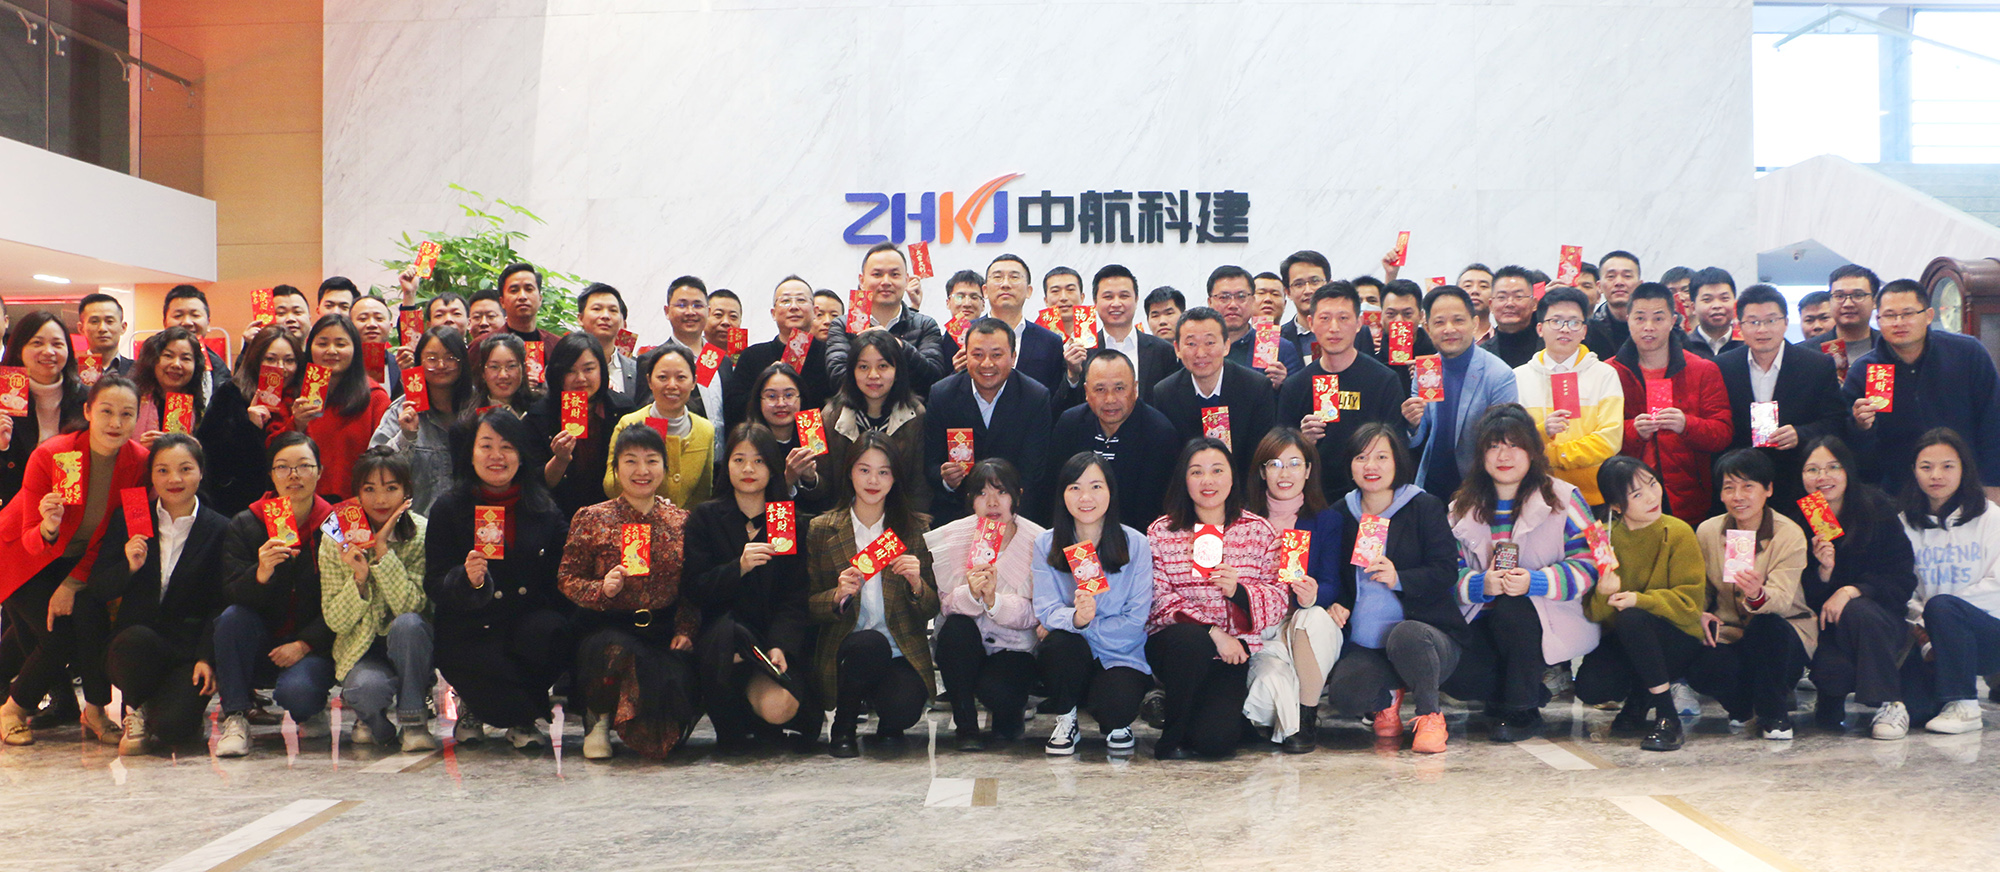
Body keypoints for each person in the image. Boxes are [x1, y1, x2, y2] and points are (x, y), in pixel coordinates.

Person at [0, 375, 148, 745]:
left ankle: (95, 709)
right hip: (20, 555)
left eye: (126, 414)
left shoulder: (138, 462)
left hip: (77, 561)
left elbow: (116, 533)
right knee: (57, 637)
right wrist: (49, 526)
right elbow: (30, 537)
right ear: (88, 411)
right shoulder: (52, 454)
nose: (116, 423)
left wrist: (72, 583)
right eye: (106, 411)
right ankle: (12, 710)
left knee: (88, 618)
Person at [1443, 405, 1602, 743]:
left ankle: (1521, 709)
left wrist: (1536, 582)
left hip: (1546, 614)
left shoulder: (1564, 498)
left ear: (1532, 451)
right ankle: (1514, 691)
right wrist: (1479, 584)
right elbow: (1445, 570)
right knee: (1456, 674)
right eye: (1494, 446)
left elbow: (1590, 563)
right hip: (1479, 615)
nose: (1504, 456)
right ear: (1481, 454)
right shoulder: (1460, 507)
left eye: (1514, 445)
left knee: (1513, 610)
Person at [425, 410, 573, 749]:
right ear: (470, 453)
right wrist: (466, 580)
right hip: (470, 629)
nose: (497, 456)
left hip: (524, 626)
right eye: (486, 446)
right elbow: (433, 581)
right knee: (488, 682)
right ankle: (480, 705)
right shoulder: (449, 508)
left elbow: (568, 559)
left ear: (521, 455)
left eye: (507, 447)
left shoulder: (542, 507)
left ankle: (521, 713)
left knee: (553, 632)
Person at [559, 424, 699, 760]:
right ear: (616, 468)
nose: (642, 471)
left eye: (651, 461)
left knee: (665, 732)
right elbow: (567, 578)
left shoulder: (682, 522)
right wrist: (601, 589)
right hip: (608, 625)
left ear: (664, 467)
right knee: (615, 651)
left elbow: (692, 586)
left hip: (661, 629)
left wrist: (685, 629)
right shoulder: (592, 518)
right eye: (631, 461)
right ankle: (598, 718)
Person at [1143, 438, 1287, 759]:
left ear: (1232, 477)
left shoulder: (1260, 531)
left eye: (1217, 470)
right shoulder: (1161, 532)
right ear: (1184, 479)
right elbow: (1157, 598)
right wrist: (1213, 632)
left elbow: (1278, 600)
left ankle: (1213, 717)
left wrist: (1239, 591)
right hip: (1177, 645)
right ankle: (1172, 735)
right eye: (1196, 472)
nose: (1207, 481)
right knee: (1191, 641)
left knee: (1215, 743)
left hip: (1232, 653)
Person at [1324, 424, 1462, 754]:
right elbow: (1335, 576)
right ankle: (1387, 699)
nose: (1371, 466)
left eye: (1381, 457)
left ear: (1397, 461)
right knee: (1346, 696)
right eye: (1361, 457)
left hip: (1425, 637)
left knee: (1407, 635)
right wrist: (1335, 603)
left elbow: (1446, 571)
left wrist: (1399, 577)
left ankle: (1430, 715)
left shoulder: (1424, 506)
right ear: (1350, 465)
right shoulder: (1340, 513)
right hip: (1367, 643)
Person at [682, 424, 818, 752]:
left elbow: (796, 596)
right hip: (721, 639)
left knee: (780, 707)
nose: (748, 469)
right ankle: (731, 724)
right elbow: (695, 588)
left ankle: (756, 717)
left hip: (769, 639)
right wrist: (738, 568)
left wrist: (780, 645)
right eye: (739, 460)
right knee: (729, 636)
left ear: (772, 467)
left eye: (758, 461)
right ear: (726, 464)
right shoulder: (705, 517)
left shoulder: (787, 520)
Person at [807, 431, 940, 758]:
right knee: (868, 644)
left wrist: (917, 584)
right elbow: (808, 605)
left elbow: (931, 607)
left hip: (898, 649)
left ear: (895, 478)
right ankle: (844, 727)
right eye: (864, 470)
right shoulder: (822, 529)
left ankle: (886, 719)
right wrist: (837, 595)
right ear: (849, 472)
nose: (873, 480)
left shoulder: (914, 529)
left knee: (903, 708)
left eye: (883, 472)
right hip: (846, 648)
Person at [212, 432, 338, 757]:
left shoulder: (335, 524)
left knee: (299, 694)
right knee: (231, 619)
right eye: (283, 467)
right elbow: (229, 593)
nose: (293, 475)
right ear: (271, 474)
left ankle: (312, 707)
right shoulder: (246, 523)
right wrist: (261, 573)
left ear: (319, 472)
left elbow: (345, 600)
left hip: (312, 646)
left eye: (304, 466)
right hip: (261, 641)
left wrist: (306, 643)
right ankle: (236, 717)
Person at [103, 434, 230, 754]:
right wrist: (128, 567)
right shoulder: (131, 517)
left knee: (173, 730)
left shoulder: (220, 528)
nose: (174, 479)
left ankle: (163, 709)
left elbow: (222, 601)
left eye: (185, 469)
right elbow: (99, 587)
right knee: (133, 642)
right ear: (151, 475)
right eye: (163, 470)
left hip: (187, 650)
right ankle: (135, 708)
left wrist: (206, 656)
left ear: (201, 472)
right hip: (139, 646)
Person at [1573, 457, 1704, 751]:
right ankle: (1640, 697)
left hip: (1676, 636)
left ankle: (1668, 717)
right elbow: (1594, 614)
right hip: (1625, 638)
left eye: (1653, 484)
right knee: (1591, 687)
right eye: (1637, 494)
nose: (1652, 497)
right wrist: (1604, 593)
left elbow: (1690, 605)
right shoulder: (1603, 539)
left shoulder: (1678, 531)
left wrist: (1639, 600)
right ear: (1616, 506)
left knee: (1633, 617)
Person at [1032, 451, 1154, 758]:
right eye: (1075, 487)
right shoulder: (1045, 544)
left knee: (1116, 707)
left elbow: (1136, 619)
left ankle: (1116, 722)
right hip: (1071, 654)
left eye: (1096, 487)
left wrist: (1084, 624)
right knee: (1059, 644)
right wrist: (1076, 619)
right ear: (1062, 495)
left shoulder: (1137, 544)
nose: (1085, 497)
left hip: (1121, 654)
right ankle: (1066, 717)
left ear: (1110, 492)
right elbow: (1045, 609)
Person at [1686, 449, 1813, 740]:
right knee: (1702, 667)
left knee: (1767, 627)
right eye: (1729, 488)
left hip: (1785, 630)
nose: (1738, 496)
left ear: (1768, 489)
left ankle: (1774, 715)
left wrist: (1757, 594)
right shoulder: (1707, 531)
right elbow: (1702, 587)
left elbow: (1782, 599)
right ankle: (1743, 709)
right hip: (1730, 630)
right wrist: (1698, 612)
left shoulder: (1789, 534)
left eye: (1748, 487)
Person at [1795, 437, 1916, 738]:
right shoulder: (1802, 517)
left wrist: (1851, 590)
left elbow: (1902, 578)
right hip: (1829, 628)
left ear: (1848, 470)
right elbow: (1800, 595)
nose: (1822, 477)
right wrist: (1824, 573)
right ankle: (1830, 698)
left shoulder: (1876, 508)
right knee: (1832, 675)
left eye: (1833, 467)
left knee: (1857, 609)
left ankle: (1890, 702)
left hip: (1880, 622)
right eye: (1812, 469)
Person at [318, 447, 435, 752]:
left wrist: (382, 553)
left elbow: (414, 607)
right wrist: (359, 579)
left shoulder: (422, 533)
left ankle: (414, 721)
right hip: (360, 647)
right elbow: (335, 620)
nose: (380, 499)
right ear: (356, 493)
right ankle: (373, 722)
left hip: (410, 644)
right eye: (369, 489)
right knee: (366, 690)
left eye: (391, 488)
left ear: (406, 491)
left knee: (409, 625)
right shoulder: (335, 536)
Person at [925, 459, 1047, 750]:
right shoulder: (954, 535)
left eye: (1001, 492)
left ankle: (1010, 714)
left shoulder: (1040, 540)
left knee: (1001, 697)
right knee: (955, 628)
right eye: (982, 493)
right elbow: (945, 604)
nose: (992, 502)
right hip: (966, 641)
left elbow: (1036, 613)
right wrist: (972, 593)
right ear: (971, 500)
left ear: (1017, 496)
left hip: (1013, 646)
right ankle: (965, 724)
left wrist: (994, 601)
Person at [1845, 279, 2000, 503]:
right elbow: (1852, 444)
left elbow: (1992, 419)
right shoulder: (1864, 370)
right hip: (1897, 492)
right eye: (1889, 316)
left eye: (1908, 313)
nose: (1899, 323)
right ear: (1878, 321)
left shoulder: (1967, 353)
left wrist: (1993, 482)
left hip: (1967, 486)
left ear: (1928, 316)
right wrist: (1860, 426)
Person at [1241, 430, 1344, 753]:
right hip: (1258, 628)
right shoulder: (1243, 520)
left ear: (1309, 470)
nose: (1284, 473)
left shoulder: (1327, 520)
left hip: (1299, 624)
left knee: (1313, 618)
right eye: (1274, 464)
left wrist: (1313, 596)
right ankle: (1283, 708)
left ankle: (1307, 717)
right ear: (1262, 472)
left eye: (1294, 463)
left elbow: (1332, 582)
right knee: (1268, 699)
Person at [1898, 428, 2000, 734]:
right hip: (1928, 638)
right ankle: (1944, 699)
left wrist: (1941, 614)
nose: (1936, 475)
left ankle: (1965, 705)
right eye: (1926, 467)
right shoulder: (1903, 524)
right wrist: (1923, 623)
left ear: (1963, 469)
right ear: (1914, 470)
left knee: (1943, 606)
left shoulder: (1990, 517)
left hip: (1988, 633)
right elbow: (1902, 588)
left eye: (1947, 466)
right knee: (1917, 713)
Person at [1714, 285, 1848, 511]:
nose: (1762, 329)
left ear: (1786, 322)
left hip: (1800, 480)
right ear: (1739, 326)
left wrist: (1800, 434)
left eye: (1771, 320)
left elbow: (1836, 422)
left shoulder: (1817, 365)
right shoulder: (1722, 366)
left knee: (1811, 534)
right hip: (1742, 485)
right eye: (1753, 322)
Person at [1611, 282, 1733, 523]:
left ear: (1673, 320)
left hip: (1689, 496)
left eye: (1658, 318)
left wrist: (1686, 424)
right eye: (1640, 318)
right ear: (1628, 320)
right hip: (1628, 495)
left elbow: (1723, 433)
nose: (1648, 327)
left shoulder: (1703, 369)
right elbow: (1600, 432)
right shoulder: (1609, 372)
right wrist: (1633, 430)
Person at [1275, 281, 1406, 504]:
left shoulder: (1384, 380)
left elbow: (1398, 450)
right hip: (1312, 501)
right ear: (1311, 323)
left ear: (1359, 323)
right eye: (1325, 318)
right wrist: (1302, 442)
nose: (1334, 328)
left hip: (1370, 498)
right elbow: (1278, 456)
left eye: (1343, 318)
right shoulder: (1295, 386)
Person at [924, 318, 1054, 525]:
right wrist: (947, 479)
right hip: (957, 512)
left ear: (1013, 357)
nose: (987, 364)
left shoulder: (1035, 397)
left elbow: (1033, 473)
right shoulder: (942, 394)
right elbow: (930, 463)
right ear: (965, 356)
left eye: (996, 355)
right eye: (977, 355)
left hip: (1015, 513)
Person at [132, 325, 269, 522]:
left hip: (192, 501)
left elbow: (219, 460)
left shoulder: (207, 405)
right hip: (136, 497)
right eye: (168, 356)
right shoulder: (132, 401)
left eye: (186, 358)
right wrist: (139, 449)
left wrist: (194, 448)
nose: (176, 364)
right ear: (153, 359)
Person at [1512, 287, 1624, 506]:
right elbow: (1513, 438)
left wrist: (1555, 456)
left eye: (1574, 322)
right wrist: (1542, 432)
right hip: (1535, 494)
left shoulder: (1604, 374)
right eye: (1556, 321)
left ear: (1584, 331)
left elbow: (1610, 439)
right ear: (1540, 328)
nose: (1565, 329)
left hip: (1594, 495)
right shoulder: (1518, 377)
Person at [1404, 285, 1519, 500]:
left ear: (1474, 323)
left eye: (1458, 320)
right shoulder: (1426, 369)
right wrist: (1412, 423)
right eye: (1439, 322)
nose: (1449, 329)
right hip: (1431, 486)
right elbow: (1417, 438)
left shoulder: (1499, 375)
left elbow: (1505, 442)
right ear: (1427, 328)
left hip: (1480, 489)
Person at [1051, 349, 1179, 531]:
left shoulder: (1160, 433)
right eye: (1100, 389)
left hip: (1137, 537)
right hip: (1076, 535)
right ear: (1086, 391)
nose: (1110, 399)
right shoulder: (1070, 424)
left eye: (1119, 389)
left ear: (1135, 389)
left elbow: (1158, 506)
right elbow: (1055, 491)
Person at [1152, 307, 1276, 482]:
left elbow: (1260, 455)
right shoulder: (1165, 393)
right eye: (1191, 344)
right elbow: (1169, 459)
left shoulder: (1256, 388)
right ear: (1177, 349)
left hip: (1243, 486)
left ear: (1226, 346)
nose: (1201, 353)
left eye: (1210, 343)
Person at [822, 331, 926, 520]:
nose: (873, 375)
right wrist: (807, 477)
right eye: (863, 367)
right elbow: (824, 487)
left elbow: (919, 486)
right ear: (852, 372)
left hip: (899, 521)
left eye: (883, 366)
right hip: (843, 520)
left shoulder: (915, 415)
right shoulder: (832, 416)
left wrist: (913, 528)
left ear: (897, 371)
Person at [291, 315, 393, 502]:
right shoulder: (294, 394)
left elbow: (386, 459)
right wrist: (296, 424)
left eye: (341, 344)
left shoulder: (375, 398)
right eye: (322, 344)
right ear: (309, 347)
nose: (331, 351)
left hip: (358, 504)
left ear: (355, 349)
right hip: (302, 502)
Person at [370, 326, 470, 515]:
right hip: (415, 523)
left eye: (450, 358)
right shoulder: (402, 409)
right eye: (431, 359)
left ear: (462, 361)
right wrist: (406, 436)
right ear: (419, 362)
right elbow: (374, 467)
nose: (441, 365)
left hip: (469, 520)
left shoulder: (477, 406)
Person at [828, 243, 948, 397]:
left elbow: (933, 379)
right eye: (877, 274)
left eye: (894, 274)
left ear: (906, 280)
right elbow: (838, 378)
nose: (886, 282)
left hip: (911, 411)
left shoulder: (925, 325)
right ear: (862, 281)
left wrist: (897, 345)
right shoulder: (842, 325)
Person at [605, 346, 715, 510]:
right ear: (649, 381)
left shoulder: (705, 429)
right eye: (663, 377)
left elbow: (703, 493)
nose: (672, 385)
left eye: (681, 377)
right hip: (634, 520)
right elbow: (610, 487)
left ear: (694, 382)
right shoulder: (629, 423)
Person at [527, 332, 623, 519]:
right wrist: (560, 459)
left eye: (589, 369)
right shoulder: (539, 416)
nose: (580, 378)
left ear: (602, 370)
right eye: (570, 371)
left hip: (612, 515)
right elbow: (536, 485)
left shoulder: (622, 410)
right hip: (557, 515)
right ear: (557, 374)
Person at [725, 278, 833, 432]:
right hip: (764, 442)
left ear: (815, 311)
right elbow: (733, 408)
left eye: (801, 300)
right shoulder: (752, 356)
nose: (794, 307)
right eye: (785, 301)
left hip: (815, 441)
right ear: (773, 313)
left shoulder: (830, 355)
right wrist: (766, 385)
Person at [0, 313, 87, 502]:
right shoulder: (4, 397)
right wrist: (2, 447)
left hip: (70, 502)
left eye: (57, 344)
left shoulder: (87, 399)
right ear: (19, 350)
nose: (48, 351)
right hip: (15, 502)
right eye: (37, 343)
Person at [737, 361, 830, 512]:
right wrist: (788, 480)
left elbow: (829, 493)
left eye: (789, 395)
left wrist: (810, 479)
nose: (781, 403)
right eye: (771, 396)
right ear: (758, 401)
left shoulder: (812, 430)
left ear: (800, 397)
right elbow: (747, 499)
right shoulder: (748, 439)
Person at [1086, 265, 1179, 403]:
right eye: (1108, 297)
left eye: (1124, 296)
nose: (1116, 303)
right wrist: (1072, 374)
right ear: (1095, 302)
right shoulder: (1083, 351)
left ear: (1136, 300)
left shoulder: (1163, 351)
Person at [972, 254, 1065, 391]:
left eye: (1014, 277)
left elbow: (1055, 395)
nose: (1005, 284)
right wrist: (957, 371)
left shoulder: (1050, 342)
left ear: (1029, 291)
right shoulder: (964, 334)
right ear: (984, 291)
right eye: (997, 277)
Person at [1209, 265, 1301, 389]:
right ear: (1210, 302)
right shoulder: (1197, 347)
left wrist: (1284, 385)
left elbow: (1299, 396)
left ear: (1252, 300)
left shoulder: (1283, 348)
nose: (1233, 305)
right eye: (1224, 297)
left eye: (1241, 296)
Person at [1371, 279, 1438, 397]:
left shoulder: (1437, 355)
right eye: (1391, 314)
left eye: (1407, 314)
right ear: (1381, 316)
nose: (1399, 321)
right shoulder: (1371, 356)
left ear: (1421, 316)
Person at [576, 283, 638, 405]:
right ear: (580, 318)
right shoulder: (563, 365)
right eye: (597, 309)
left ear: (622, 322)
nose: (605, 316)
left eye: (613, 310)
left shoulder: (637, 370)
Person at [162, 285, 232, 389]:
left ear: (208, 323)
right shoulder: (149, 359)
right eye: (178, 315)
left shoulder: (218, 367)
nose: (187, 322)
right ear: (165, 322)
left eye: (195, 315)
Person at [1811, 264, 1883, 364]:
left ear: (1874, 301)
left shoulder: (1891, 347)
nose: (1848, 304)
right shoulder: (1807, 352)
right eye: (1839, 296)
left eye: (1858, 295)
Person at [1479, 266, 1542, 369]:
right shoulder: (1481, 355)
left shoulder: (1550, 347)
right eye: (1502, 297)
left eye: (1518, 296)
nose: (1510, 303)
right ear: (1491, 305)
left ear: (1534, 304)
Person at [468, 331, 539, 416]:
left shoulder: (539, 410)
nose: (503, 375)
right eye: (494, 367)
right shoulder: (470, 415)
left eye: (511, 366)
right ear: (483, 371)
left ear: (524, 369)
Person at [1585, 250, 1640, 358]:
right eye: (1611, 276)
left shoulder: (1653, 325)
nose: (1619, 282)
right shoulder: (1588, 331)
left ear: (1639, 285)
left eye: (1627, 276)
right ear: (1599, 287)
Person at [1278, 250, 1330, 361]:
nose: (1308, 290)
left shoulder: (1352, 333)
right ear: (1288, 292)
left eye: (1315, 281)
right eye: (1298, 284)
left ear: (1329, 285)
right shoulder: (1278, 340)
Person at [1682, 267, 1744, 360]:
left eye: (1724, 298)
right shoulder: (1682, 348)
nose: (1717, 306)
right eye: (1707, 299)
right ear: (1693, 307)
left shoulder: (1747, 345)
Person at [77, 293, 132, 375]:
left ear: (123, 327)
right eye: (94, 322)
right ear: (81, 328)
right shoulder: (69, 372)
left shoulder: (139, 371)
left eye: (109, 321)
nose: (102, 328)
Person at [496, 263, 547, 343]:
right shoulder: (483, 345)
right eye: (514, 290)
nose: (522, 296)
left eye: (529, 289)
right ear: (502, 301)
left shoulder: (556, 345)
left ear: (540, 299)